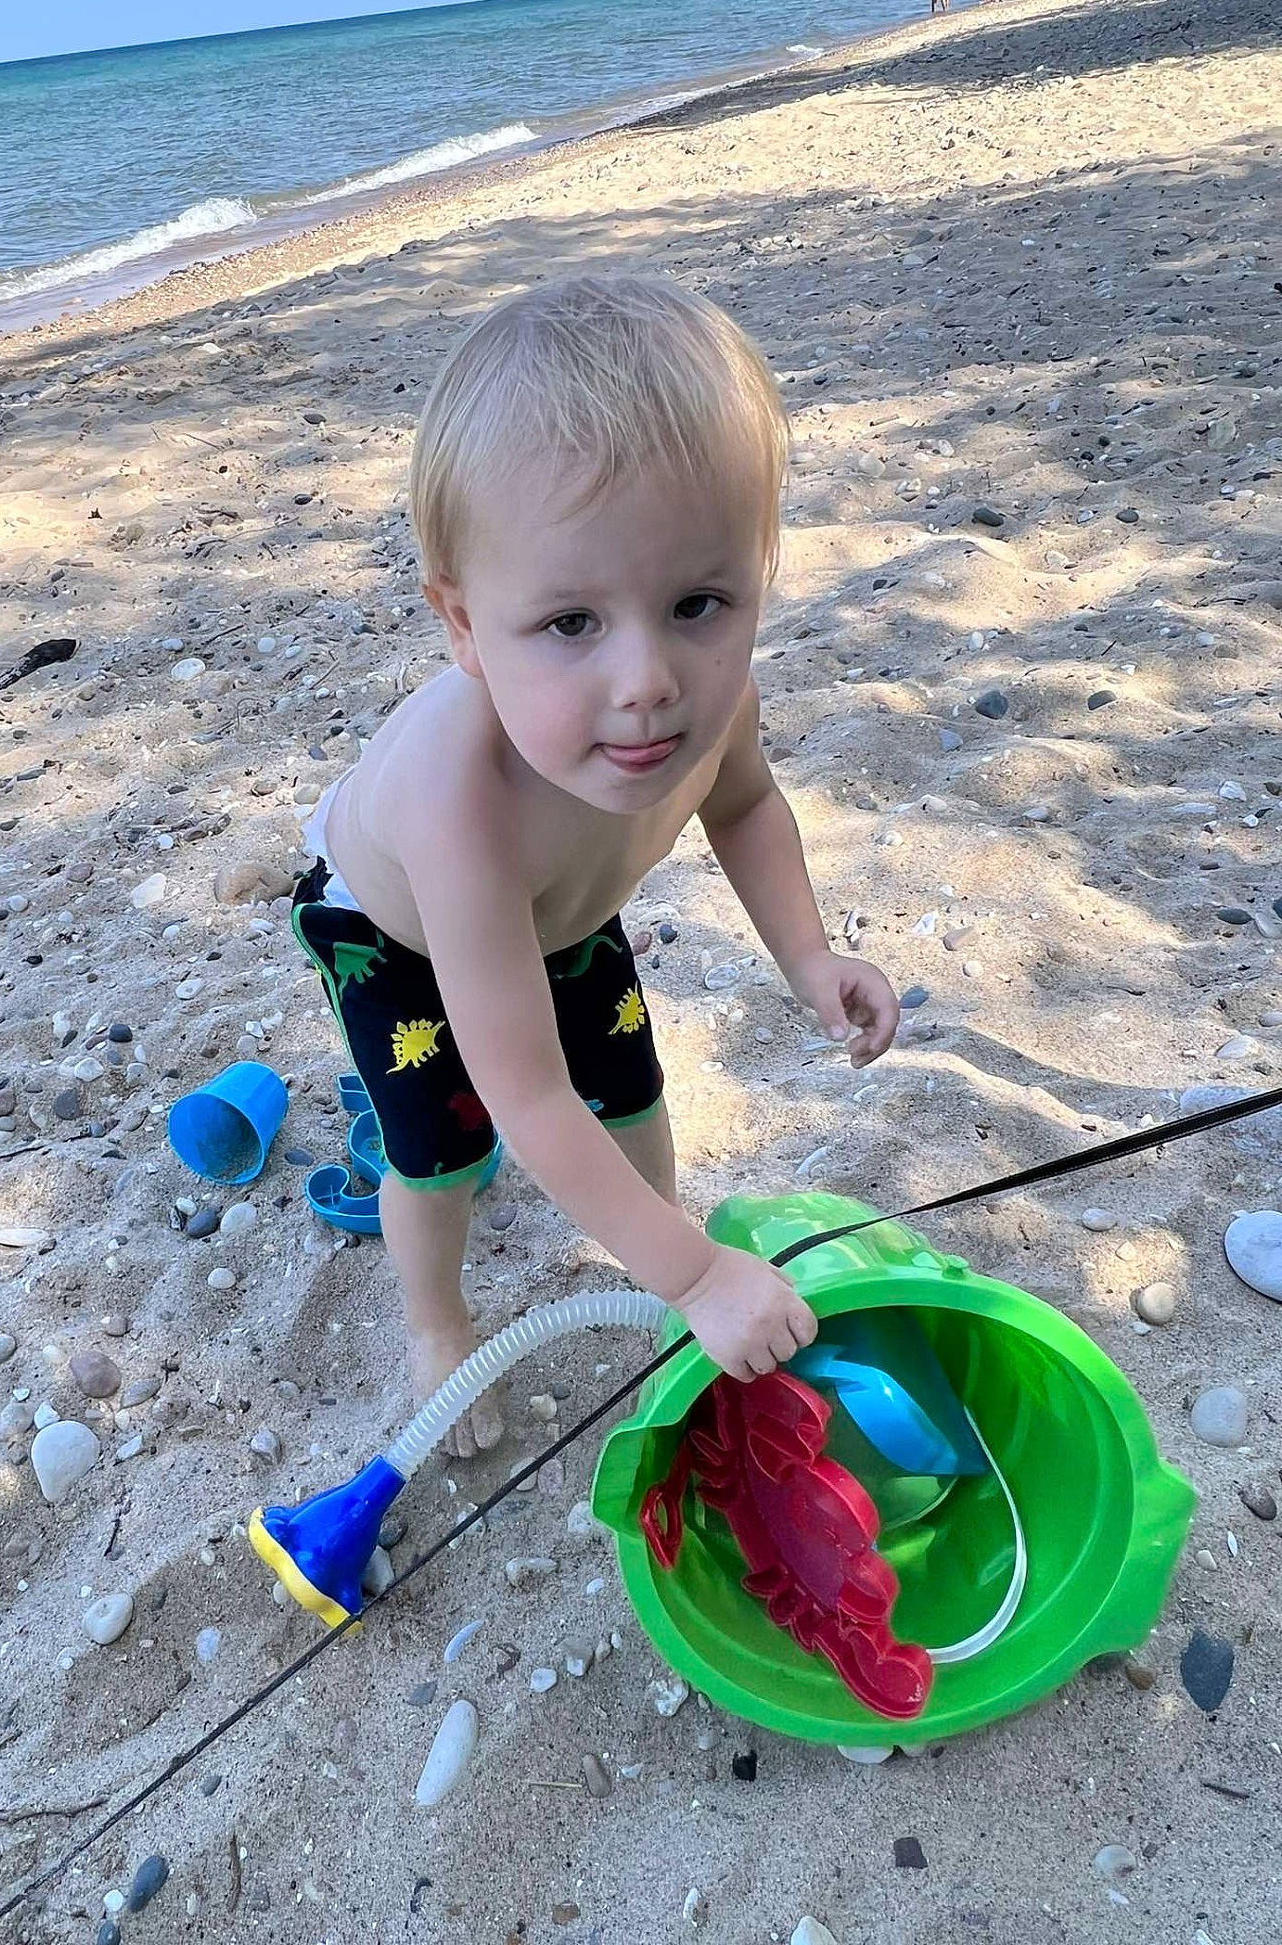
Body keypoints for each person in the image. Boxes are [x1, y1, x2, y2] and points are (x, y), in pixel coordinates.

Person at [285, 274, 899, 1453]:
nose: (646, 679)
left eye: (698, 601)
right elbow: (526, 1095)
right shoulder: (455, 806)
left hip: (564, 911)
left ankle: (652, 1224)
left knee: (631, 1085)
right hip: (399, 935)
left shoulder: (704, 710)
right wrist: (703, 1278)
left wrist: (809, 954)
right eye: (571, 622)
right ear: (463, 623)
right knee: (444, 1143)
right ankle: (435, 1322)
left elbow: (750, 803)